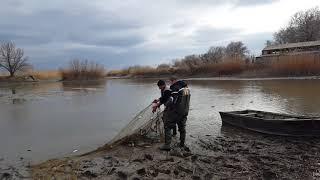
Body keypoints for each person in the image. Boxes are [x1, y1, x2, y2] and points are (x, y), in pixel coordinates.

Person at [168, 76, 190, 149]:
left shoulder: (175, 87)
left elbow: (172, 101)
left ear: (173, 80)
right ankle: (182, 144)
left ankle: (168, 143)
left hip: (178, 111)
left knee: (168, 124)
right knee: (182, 127)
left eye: (170, 81)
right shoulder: (187, 88)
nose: (170, 83)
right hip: (185, 110)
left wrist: (167, 105)